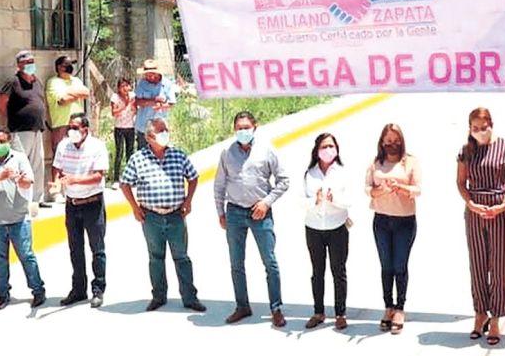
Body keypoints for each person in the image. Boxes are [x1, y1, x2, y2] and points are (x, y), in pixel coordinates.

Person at [119, 117, 206, 313]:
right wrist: (134, 207)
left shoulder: (178, 155)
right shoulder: (138, 158)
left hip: (176, 215)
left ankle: (190, 298)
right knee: (156, 258)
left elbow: (193, 177)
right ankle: (158, 296)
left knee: (182, 257)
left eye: (166, 130)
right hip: (151, 217)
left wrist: (188, 201)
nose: (165, 134)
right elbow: (125, 184)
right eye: (160, 131)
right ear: (149, 137)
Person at [213, 111, 290, 327]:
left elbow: (284, 181)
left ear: (255, 127)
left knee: (270, 262)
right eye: (239, 128)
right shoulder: (227, 153)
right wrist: (220, 212)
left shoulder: (267, 150)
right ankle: (242, 306)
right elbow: (219, 185)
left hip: (260, 213)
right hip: (235, 212)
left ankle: (276, 308)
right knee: (236, 263)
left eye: (246, 127)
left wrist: (267, 202)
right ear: (234, 130)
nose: (243, 131)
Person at [456, 107, 505, 346]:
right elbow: (461, 182)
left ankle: (495, 317)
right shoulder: (466, 151)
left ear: (491, 125)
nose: (480, 132)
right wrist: (470, 203)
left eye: (483, 128)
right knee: (478, 264)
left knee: (500, 265)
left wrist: (504, 203)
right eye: (475, 128)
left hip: (500, 210)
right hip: (476, 211)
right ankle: (480, 312)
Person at [0, 126, 45, 310]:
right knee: (0, 261)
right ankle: (3, 294)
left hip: (19, 219)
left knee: (27, 256)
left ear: (9, 141)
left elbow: (29, 181)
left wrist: (21, 180)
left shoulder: (19, 158)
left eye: (2, 141)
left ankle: (38, 290)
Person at [365, 124, 421, 335]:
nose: (392, 145)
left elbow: (418, 189)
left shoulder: (411, 162)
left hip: (404, 221)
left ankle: (400, 308)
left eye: (396, 141)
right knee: (386, 265)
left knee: (400, 265)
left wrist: (402, 188)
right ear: (382, 142)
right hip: (381, 220)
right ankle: (388, 306)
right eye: (388, 141)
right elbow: (367, 188)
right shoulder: (376, 163)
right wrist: (380, 190)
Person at [51, 113, 108, 308]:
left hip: (93, 203)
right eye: (70, 127)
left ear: (85, 129)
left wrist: (75, 180)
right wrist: (56, 182)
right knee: (75, 249)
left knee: (97, 249)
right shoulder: (63, 145)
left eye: (75, 128)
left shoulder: (97, 146)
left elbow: (98, 176)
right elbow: (57, 168)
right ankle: (78, 290)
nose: (71, 131)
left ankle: (98, 289)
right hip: (72, 204)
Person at [303, 133, 350, 330]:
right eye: (324, 147)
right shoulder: (310, 173)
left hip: (337, 226)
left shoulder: (342, 172)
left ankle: (340, 313)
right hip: (314, 227)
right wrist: (314, 201)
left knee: (338, 271)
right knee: (317, 271)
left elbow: (350, 201)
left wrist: (334, 199)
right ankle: (318, 312)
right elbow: (300, 201)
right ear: (317, 151)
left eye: (331, 146)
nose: (328, 150)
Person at [0, 50, 52, 208]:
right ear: (19, 65)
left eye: (32, 62)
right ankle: (20, 198)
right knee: (20, 164)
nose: (30, 65)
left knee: (37, 164)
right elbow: (1, 102)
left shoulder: (36, 81)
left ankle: (36, 199)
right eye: (27, 62)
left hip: (36, 129)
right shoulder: (13, 82)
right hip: (20, 130)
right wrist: (12, 118)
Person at [46, 56, 89, 154]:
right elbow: (63, 100)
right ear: (59, 67)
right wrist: (77, 94)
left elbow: (86, 93)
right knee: (61, 153)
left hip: (77, 124)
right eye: (67, 65)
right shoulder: (53, 82)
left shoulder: (76, 80)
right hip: (62, 124)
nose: (70, 67)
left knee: (77, 152)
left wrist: (69, 93)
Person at [134, 59, 176, 151]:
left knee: (160, 150)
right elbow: (137, 101)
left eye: (150, 74)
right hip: (143, 125)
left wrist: (162, 105)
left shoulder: (167, 84)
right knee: (142, 151)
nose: (148, 77)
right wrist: (153, 101)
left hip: (159, 125)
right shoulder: (142, 83)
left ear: (156, 73)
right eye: (146, 74)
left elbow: (171, 103)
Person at [110, 77, 136, 189]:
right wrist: (125, 105)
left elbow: (135, 110)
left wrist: (133, 106)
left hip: (130, 127)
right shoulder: (115, 97)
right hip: (119, 128)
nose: (125, 88)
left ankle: (130, 177)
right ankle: (116, 179)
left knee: (130, 152)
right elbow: (114, 112)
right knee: (119, 152)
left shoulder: (133, 96)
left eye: (127, 86)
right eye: (122, 86)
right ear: (118, 88)